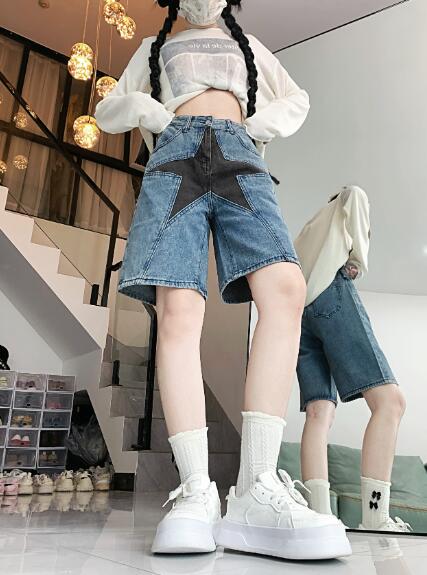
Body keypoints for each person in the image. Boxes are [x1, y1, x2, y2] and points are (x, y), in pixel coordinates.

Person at [95, 0, 350, 560]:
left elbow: (296, 98)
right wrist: (151, 112)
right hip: (173, 155)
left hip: (241, 153)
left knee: (285, 288)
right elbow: (109, 107)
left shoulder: (249, 46)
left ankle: (256, 486)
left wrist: (254, 127)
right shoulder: (154, 48)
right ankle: (195, 490)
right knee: (178, 308)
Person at [294, 185, 410, 532]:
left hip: (299, 314)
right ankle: (375, 518)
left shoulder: (306, 232)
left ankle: (319, 518)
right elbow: (356, 194)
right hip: (331, 293)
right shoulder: (347, 198)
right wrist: (357, 259)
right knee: (391, 402)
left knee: (319, 411)